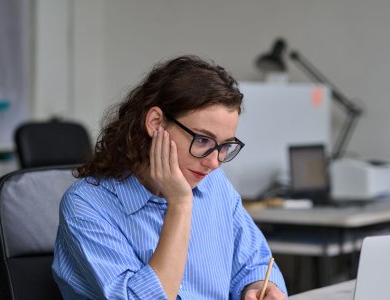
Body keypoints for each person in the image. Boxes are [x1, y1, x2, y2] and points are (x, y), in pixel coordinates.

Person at [52, 55, 288, 299]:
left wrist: (258, 286)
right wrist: (180, 205)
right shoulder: (86, 205)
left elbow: (256, 262)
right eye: (202, 140)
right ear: (156, 123)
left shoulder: (214, 185)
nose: (214, 162)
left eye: (225, 146)